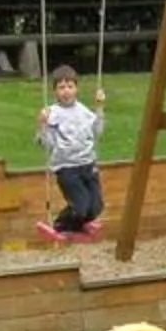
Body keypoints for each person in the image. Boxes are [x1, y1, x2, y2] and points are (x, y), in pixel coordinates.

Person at [39, 63, 108, 240]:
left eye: (70, 86)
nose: (66, 91)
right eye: (61, 87)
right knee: (81, 205)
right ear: (55, 91)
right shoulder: (52, 113)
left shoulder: (84, 111)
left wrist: (99, 108)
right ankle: (60, 225)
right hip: (67, 168)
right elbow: (47, 144)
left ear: (76, 89)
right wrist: (43, 125)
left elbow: (97, 131)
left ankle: (80, 225)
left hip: (88, 164)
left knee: (97, 206)